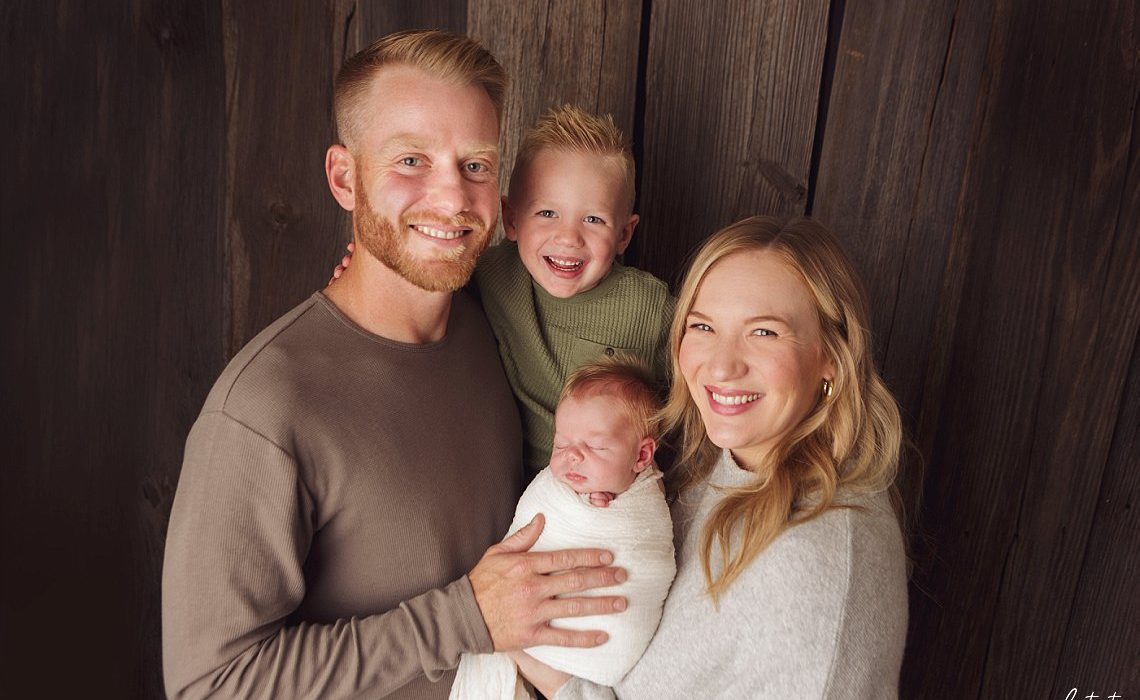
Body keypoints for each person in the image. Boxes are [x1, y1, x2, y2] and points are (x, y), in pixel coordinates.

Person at [162, 30, 625, 700]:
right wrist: (464, 616)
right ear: (345, 178)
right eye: (411, 160)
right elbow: (210, 686)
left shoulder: (493, 322)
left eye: (476, 166)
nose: (453, 199)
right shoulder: (262, 409)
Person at [512, 215, 910, 698]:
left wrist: (520, 647)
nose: (721, 365)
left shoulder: (812, 576)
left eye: (764, 332)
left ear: (832, 356)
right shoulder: (730, 460)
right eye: (703, 326)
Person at [334, 105, 675, 478]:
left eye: (593, 219)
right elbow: (416, 291)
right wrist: (366, 278)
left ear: (624, 234)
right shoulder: (488, 274)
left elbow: (684, 416)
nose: (568, 237)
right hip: (512, 489)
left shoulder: (650, 309)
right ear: (511, 219)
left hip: (610, 494)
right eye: (547, 213)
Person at [451, 355, 676, 699]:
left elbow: (647, 548)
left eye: (596, 446)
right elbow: (535, 522)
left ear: (643, 458)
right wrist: (584, 503)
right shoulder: (554, 489)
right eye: (561, 443)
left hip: (597, 656)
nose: (572, 456)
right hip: (525, 629)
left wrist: (609, 510)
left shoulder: (646, 500)